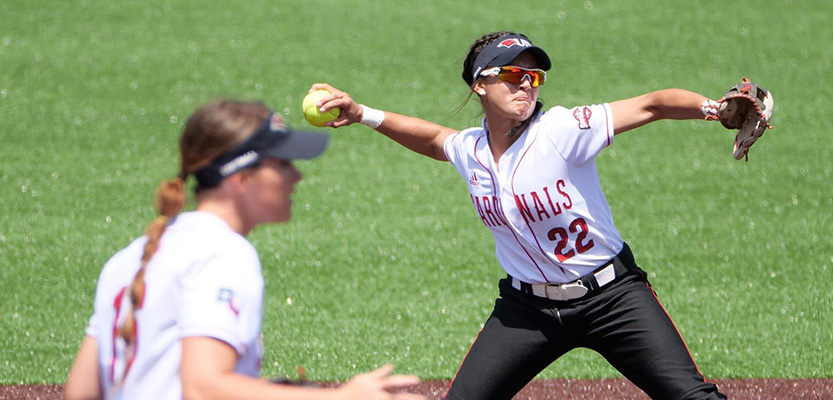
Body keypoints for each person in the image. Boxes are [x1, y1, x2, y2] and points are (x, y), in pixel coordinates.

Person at [309, 31, 732, 400]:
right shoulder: (471, 150)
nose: (527, 85)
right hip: (527, 312)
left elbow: (654, 105)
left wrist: (714, 109)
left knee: (690, 396)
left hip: (612, 299)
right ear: (480, 84)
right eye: (514, 75)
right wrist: (363, 114)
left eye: (535, 77)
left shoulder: (561, 130)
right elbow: (437, 140)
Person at [64, 99, 424, 400]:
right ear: (241, 179)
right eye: (282, 164)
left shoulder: (135, 254)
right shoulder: (223, 254)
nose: (296, 176)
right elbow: (203, 387)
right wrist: (341, 398)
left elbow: (80, 392)